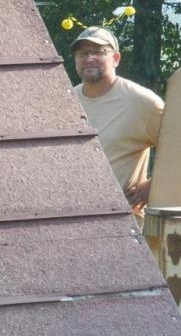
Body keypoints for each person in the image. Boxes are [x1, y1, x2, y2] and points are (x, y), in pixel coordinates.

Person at [70, 26, 164, 210]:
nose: (89, 59)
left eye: (98, 52)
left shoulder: (142, 102)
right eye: (82, 53)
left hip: (123, 223)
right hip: (73, 220)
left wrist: (155, 184)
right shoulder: (67, 100)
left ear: (116, 59)